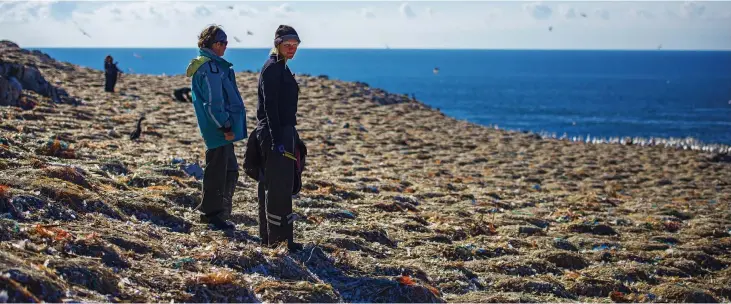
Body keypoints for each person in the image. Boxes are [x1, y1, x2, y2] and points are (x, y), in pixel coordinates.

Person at [185, 25, 247, 230]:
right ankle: (211, 215)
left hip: (219, 128)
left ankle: (218, 213)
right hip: (219, 129)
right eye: (223, 43)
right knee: (219, 170)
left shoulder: (214, 66)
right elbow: (213, 103)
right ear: (213, 44)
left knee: (228, 170)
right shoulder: (210, 68)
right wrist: (225, 124)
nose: (226, 47)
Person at [255, 25, 303, 251]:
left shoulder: (281, 66)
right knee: (277, 188)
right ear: (277, 44)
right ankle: (277, 241)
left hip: (283, 131)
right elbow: (270, 107)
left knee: (281, 186)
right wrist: (277, 141)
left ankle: (280, 238)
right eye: (288, 45)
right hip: (275, 133)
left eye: (295, 45)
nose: (292, 49)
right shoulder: (272, 68)